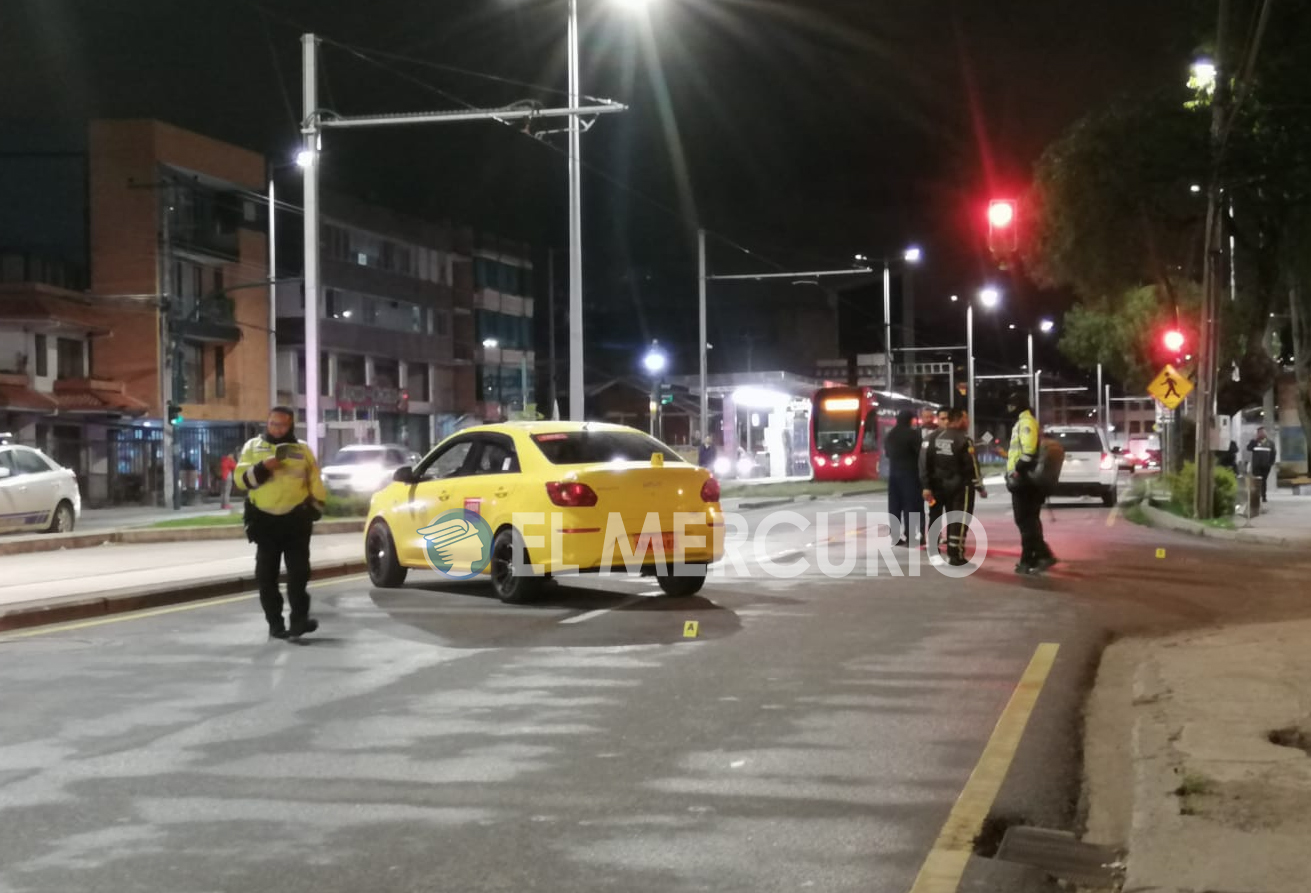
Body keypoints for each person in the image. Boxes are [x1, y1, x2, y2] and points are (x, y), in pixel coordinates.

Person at [235, 406, 328, 641]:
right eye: (273, 424)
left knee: (299, 575)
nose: (277, 429)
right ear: (267, 424)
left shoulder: (302, 450)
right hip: (264, 520)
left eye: (282, 425)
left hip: (295, 519)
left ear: (291, 425)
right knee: (266, 577)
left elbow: (315, 481)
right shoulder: (253, 447)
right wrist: (262, 468)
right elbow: (240, 480)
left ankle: (299, 621)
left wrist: (315, 508)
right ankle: (275, 625)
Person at [923, 408, 986, 566]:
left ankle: (937, 549)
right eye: (965, 419)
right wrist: (979, 486)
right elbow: (972, 466)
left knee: (936, 516)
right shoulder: (964, 439)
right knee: (959, 519)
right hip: (960, 487)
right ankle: (955, 555)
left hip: (939, 486)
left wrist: (926, 485)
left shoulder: (933, 438)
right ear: (957, 420)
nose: (967, 422)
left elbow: (925, 463)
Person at [1006, 393, 1056, 575]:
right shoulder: (1026, 421)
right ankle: (1038, 556)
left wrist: (1018, 468)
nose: (1008, 408)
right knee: (1029, 521)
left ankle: (1030, 559)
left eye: (1011, 405)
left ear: (1018, 405)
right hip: (1025, 479)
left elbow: (1028, 451)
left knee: (1025, 521)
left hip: (1024, 480)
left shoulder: (1026, 422)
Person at [883, 409, 924, 547]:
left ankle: (895, 536)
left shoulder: (890, 435)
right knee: (910, 505)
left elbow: (887, 454)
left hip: (893, 474)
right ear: (909, 420)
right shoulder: (913, 434)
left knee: (894, 506)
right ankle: (910, 536)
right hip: (910, 473)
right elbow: (920, 453)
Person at [918, 407, 950, 551]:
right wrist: (926, 485)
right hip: (934, 485)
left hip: (951, 485)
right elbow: (923, 462)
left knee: (953, 515)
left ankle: (952, 544)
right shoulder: (927, 438)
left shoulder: (954, 436)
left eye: (931, 417)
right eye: (926, 417)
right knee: (935, 514)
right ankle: (934, 542)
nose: (928, 420)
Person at [1247, 426, 1277, 502]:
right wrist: (1254, 440)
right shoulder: (1254, 442)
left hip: (1266, 466)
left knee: (1263, 481)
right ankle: (1256, 496)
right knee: (1257, 481)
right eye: (1260, 432)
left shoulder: (1270, 443)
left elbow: (1273, 453)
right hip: (1256, 466)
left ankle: (1263, 496)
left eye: (1263, 432)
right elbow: (1249, 448)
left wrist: (1271, 463)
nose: (1262, 434)